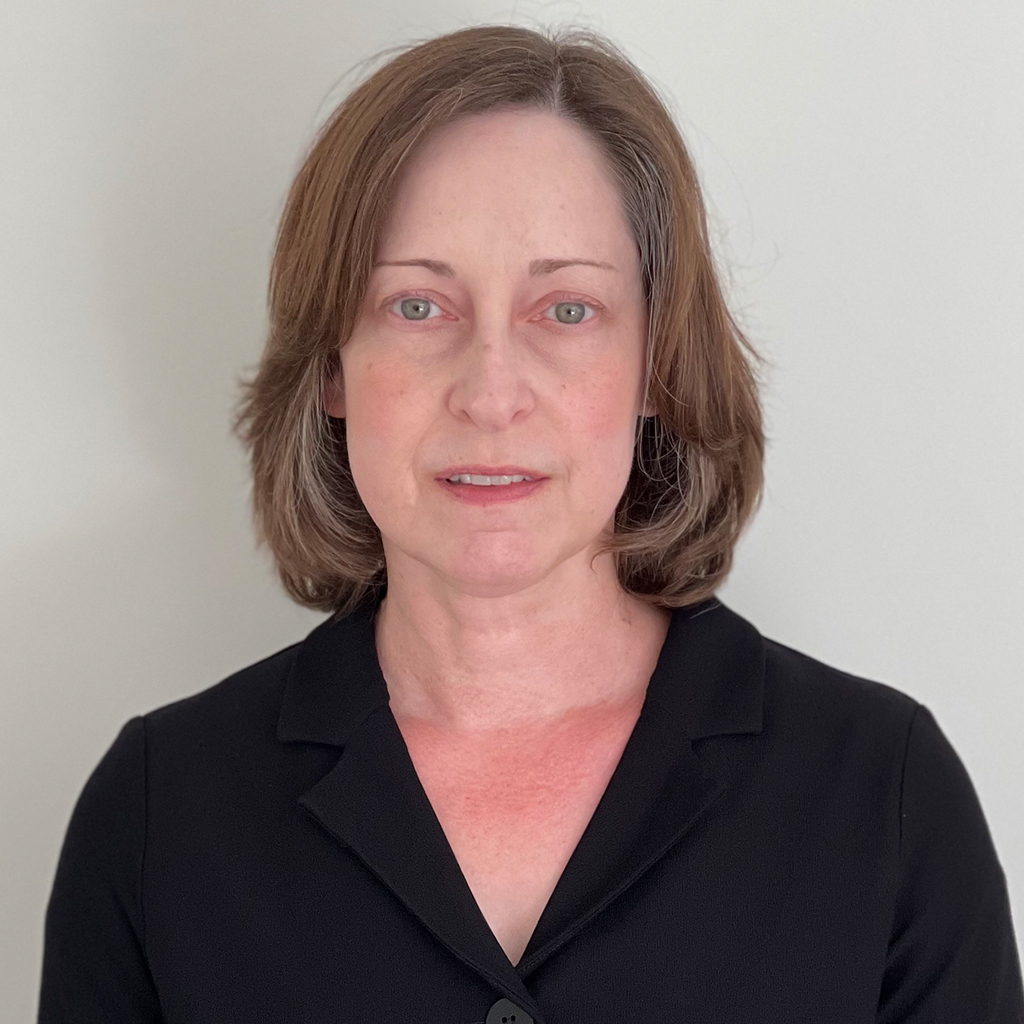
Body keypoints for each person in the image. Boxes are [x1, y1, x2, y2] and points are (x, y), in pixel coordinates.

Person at [37, 23, 1023, 1024]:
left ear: (657, 365)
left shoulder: (880, 795)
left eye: (565, 311)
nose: (491, 392)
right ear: (331, 367)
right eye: (417, 306)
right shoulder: (163, 813)